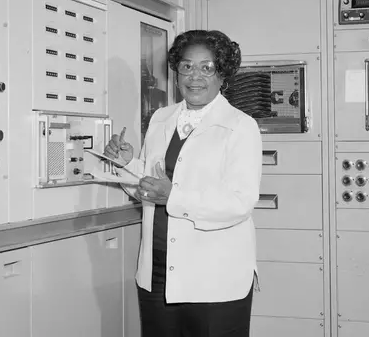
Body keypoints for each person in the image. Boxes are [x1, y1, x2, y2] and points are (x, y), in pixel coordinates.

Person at [104, 30, 263, 337]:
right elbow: (151, 184)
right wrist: (128, 164)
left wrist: (172, 197)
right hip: (158, 272)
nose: (195, 77)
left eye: (207, 67)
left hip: (214, 279)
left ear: (223, 74)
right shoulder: (161, 118)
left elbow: (239, 203)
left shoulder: (241, 127)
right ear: (176, 73)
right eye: (187, 66)